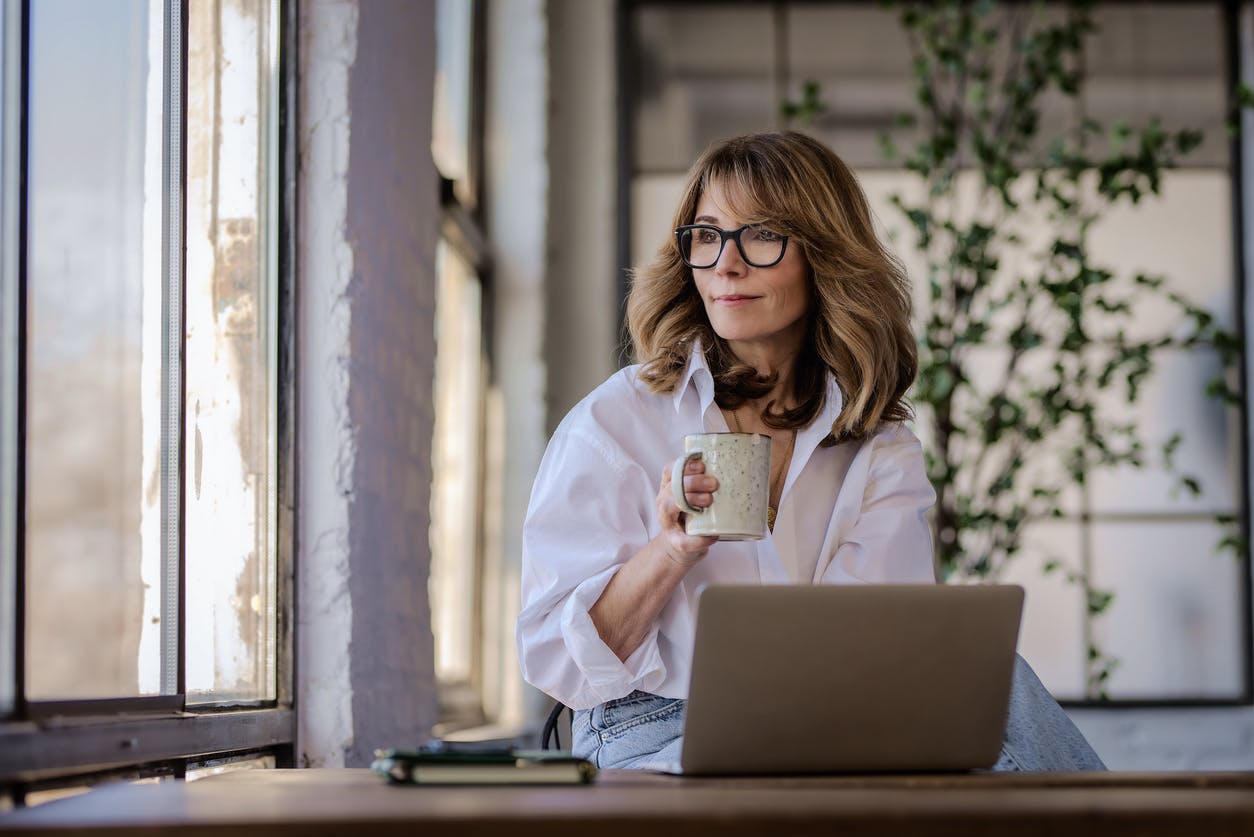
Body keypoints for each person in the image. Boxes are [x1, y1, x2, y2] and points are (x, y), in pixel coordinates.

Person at [516, 130, 1104, 772]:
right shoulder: (615, 421)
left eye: (761, 235)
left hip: (830, 716)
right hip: (651, 724)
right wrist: (672, 550)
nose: (725, 265)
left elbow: (878, 650)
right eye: (708, 235)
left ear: (823, 256)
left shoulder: (878, 448)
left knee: (1004, 685)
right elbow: (556, 664)